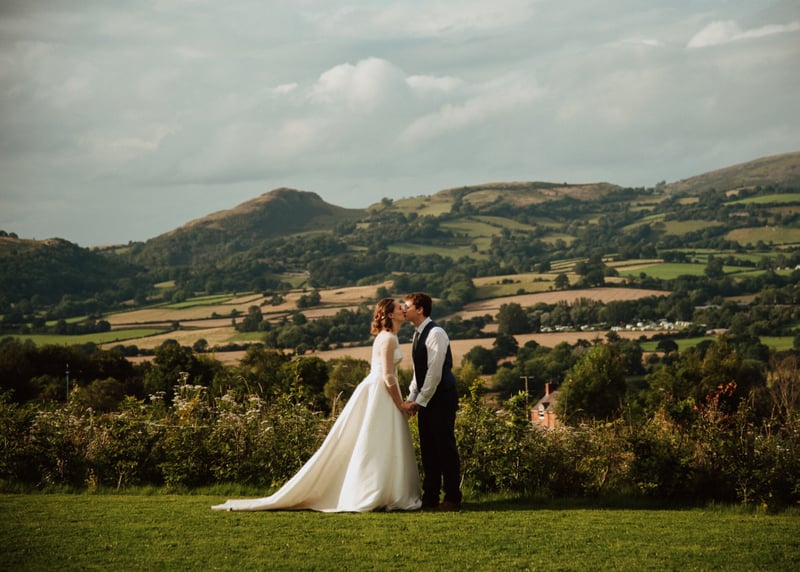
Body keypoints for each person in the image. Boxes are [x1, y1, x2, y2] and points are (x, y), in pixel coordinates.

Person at [212, 298, 421, 513]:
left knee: (380, 440)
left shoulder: (389, 337)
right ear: (389, 315)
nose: (403, 310)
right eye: (399, 308)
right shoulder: (388, 339)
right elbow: (387, 375)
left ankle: (383, 490)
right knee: (375, 440)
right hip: (380, 391)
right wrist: (401, 403)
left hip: (380, 391)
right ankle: (371, 492)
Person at [401, 292, 462, 511]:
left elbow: (434, 373)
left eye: (407, 306)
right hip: (427, 399)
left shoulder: (436, 333)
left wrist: (420, 400)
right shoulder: (417, 334)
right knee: (428, 449)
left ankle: (452, 497)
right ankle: (430, 497)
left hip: (442, 398)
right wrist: (411, 398)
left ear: (420, 309)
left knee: (445, 447)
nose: (403, 309)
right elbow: (418, 373)